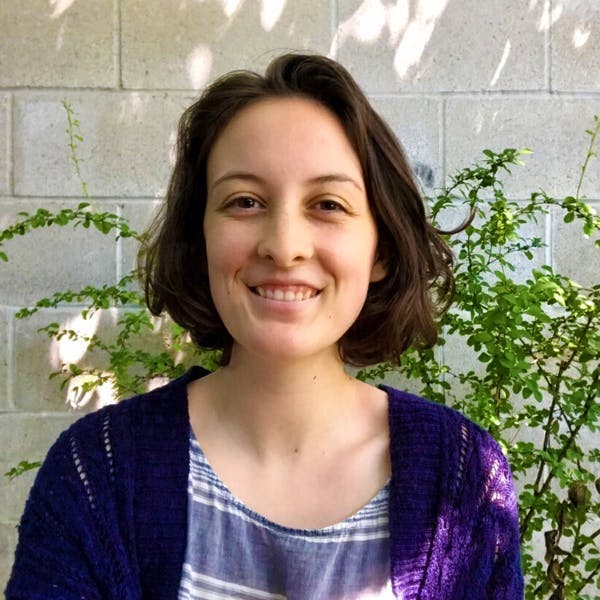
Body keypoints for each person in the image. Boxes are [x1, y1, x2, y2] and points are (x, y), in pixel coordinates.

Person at [6, 53, 524, 599]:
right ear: (199, 237)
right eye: (245, 201)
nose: (283, 246)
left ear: (382, 249)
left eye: (327, 204)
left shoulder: (462, 477)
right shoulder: (98, 474)